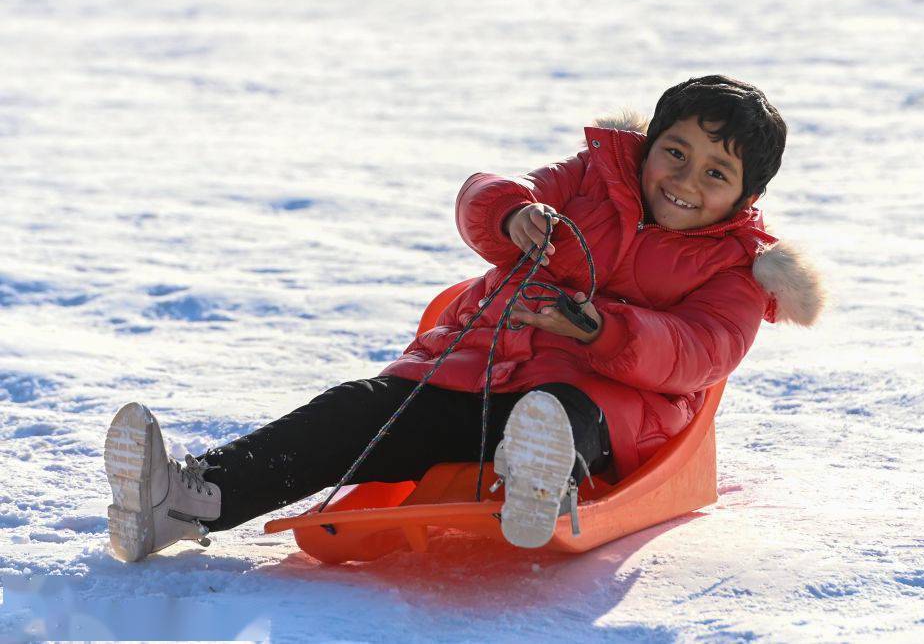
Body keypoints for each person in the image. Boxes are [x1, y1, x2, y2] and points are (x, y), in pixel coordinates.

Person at [104, 75, 825, 562]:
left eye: (715, 173)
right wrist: (513, 214)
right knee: (358, 410)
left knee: (557, 410)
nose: (685, 180)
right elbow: (483, 195)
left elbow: (700, 351)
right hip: (475, 371)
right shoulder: (589, 179)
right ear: (648, 145)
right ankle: (189, 497)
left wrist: (603, 332)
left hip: (609, 404)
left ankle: (540, 477)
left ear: (744, 195)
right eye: (675, 152)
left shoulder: (737, 267)